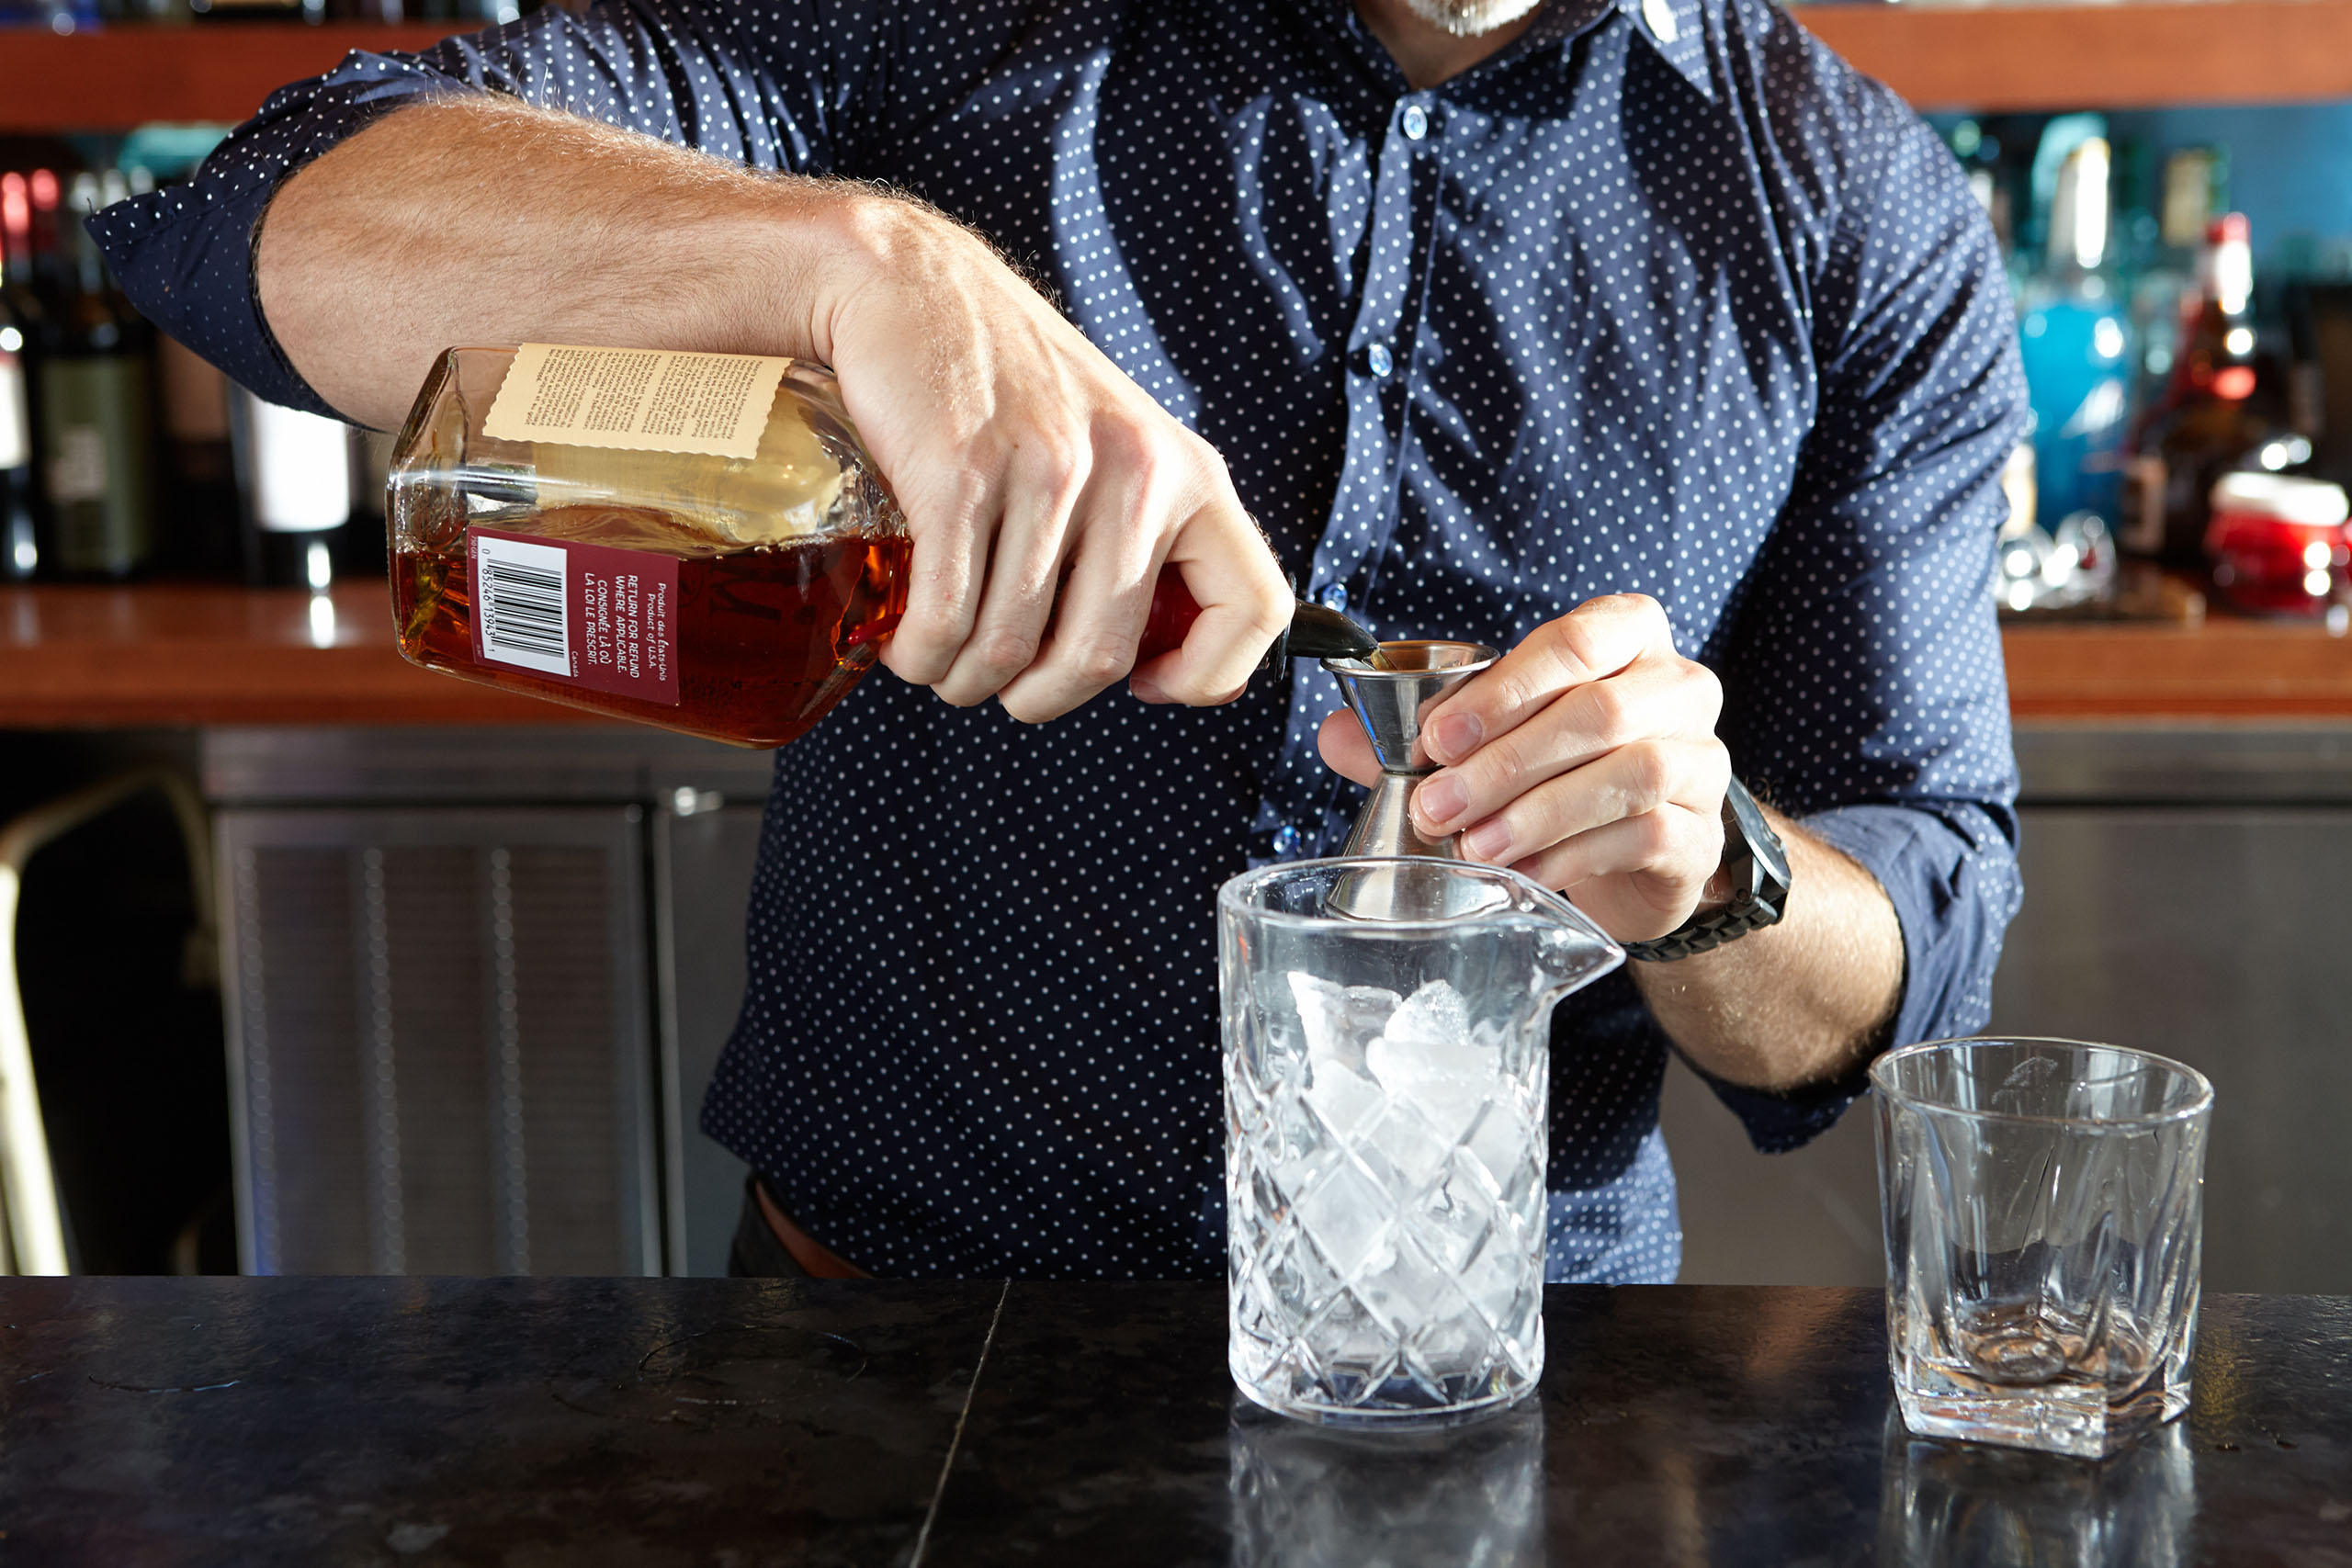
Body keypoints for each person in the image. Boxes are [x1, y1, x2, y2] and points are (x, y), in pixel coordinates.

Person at [96, 0, 2026, 1282]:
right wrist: (852, 262)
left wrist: (1711, 867)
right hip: (881, 1339)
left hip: (1495, 1368)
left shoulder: (1845, 206)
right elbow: (261, 213)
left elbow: (1893, 968)